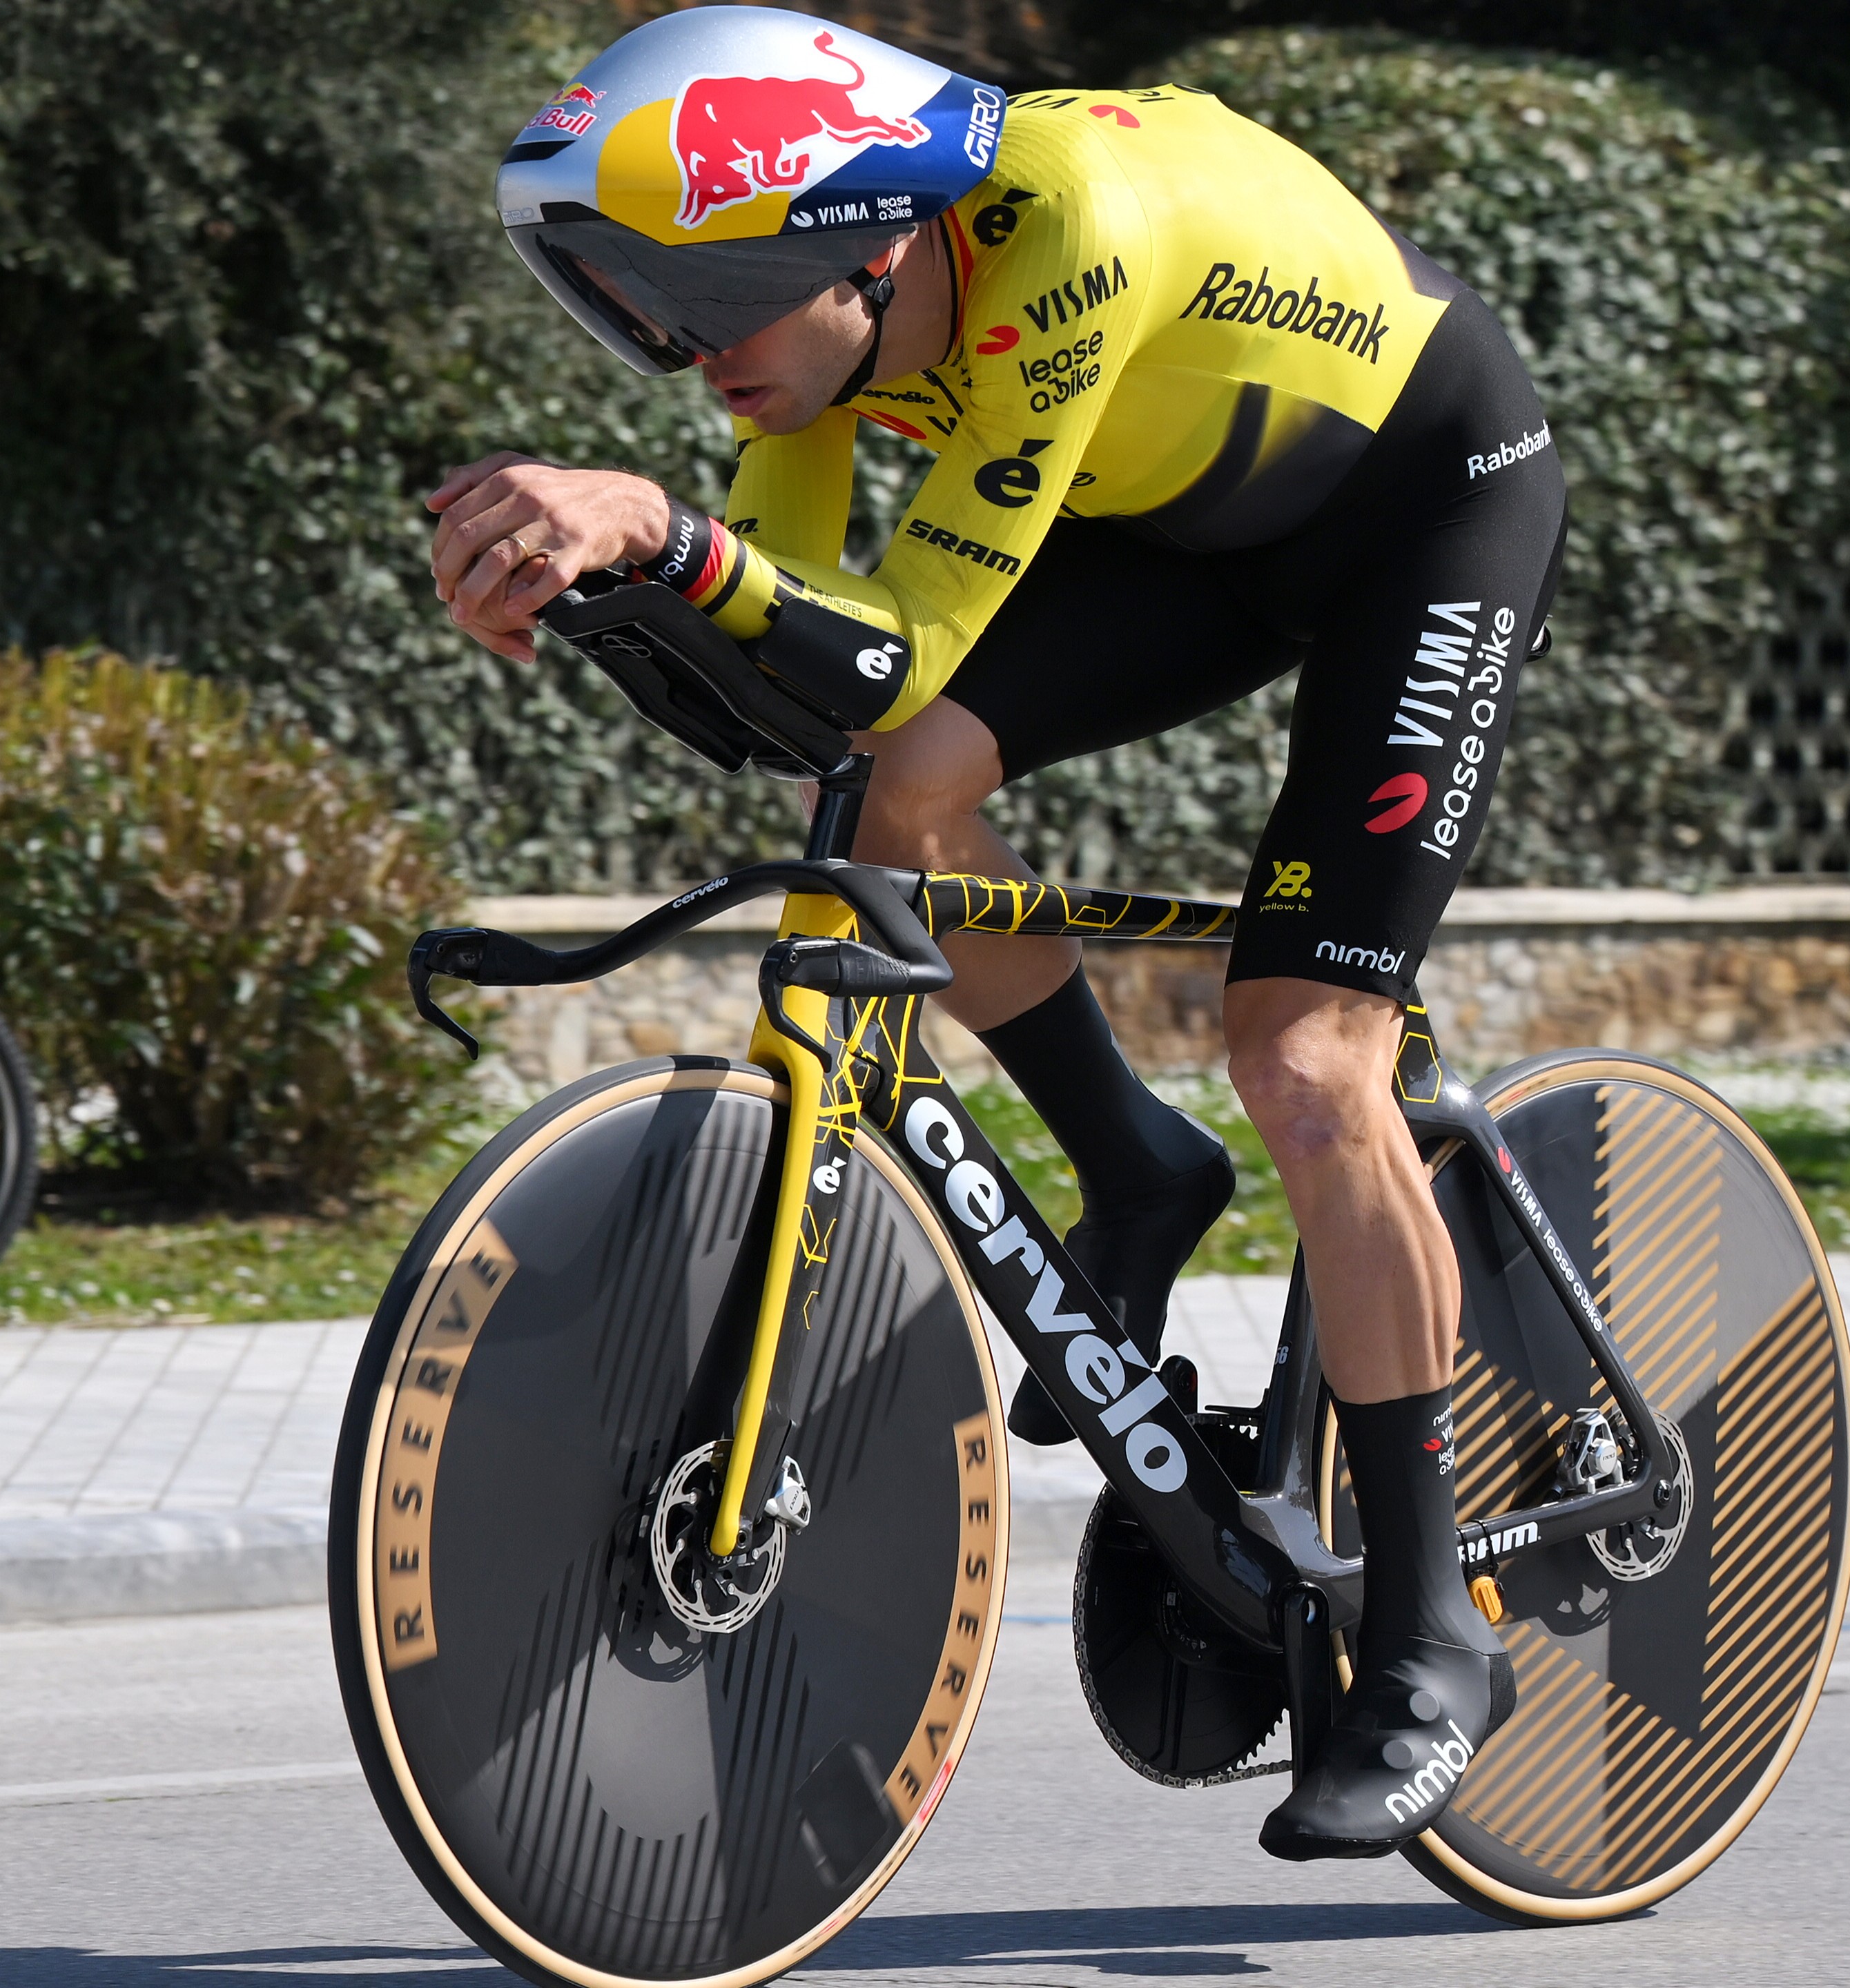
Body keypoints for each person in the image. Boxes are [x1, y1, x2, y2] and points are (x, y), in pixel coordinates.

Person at [429, 8, 1563, 1858]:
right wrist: (622, 585)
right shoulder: (816, 352)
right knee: (892, 799)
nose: (677, 351)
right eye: (635, 307)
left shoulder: (1066, 229)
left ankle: (1435, 1627)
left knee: (1303, 1054)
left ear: (855, 242)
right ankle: (1133, 1164)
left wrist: (660, 538)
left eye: (696, 298)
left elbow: (899, 642)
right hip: (1184, 518)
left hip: (1420, 505)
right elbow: (818, 691)